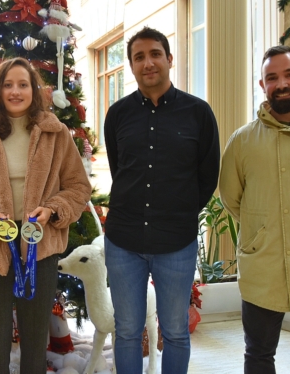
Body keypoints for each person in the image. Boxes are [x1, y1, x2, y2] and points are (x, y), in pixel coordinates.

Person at [0, 57, 92, 374]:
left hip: (41, 243)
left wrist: (53, 208)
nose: (15, 91)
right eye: (8, 84)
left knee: (36, 337)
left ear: (33, 90)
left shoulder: (56, 133)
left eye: (23, 84)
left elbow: (78, 187)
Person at [103, 26, 220, 373]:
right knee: (126, 331)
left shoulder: (198, 113)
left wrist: (177, 212)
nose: (148, 62)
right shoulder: (118, 115)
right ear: (132, 66)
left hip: (176, 242)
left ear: (169, 59)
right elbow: (119, 169)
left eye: (155, 54)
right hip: (123, 242)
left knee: (175, 332)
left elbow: (207, 178)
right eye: (139, 57)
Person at [219, 45, 290, 374]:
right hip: (262, 269)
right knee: (259, 355)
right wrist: (262, 230)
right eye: (272, 77)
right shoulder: (242, 142)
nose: (282, 83)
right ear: (262, 85)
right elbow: (232, 198)